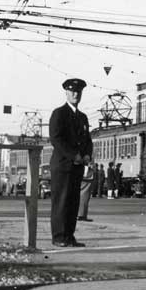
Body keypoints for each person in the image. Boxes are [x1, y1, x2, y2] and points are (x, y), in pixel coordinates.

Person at [49, 78, 92, 248]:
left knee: (73, 202)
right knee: (61, 202)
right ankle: (59, 236)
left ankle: (69, 235)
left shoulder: (82, 117)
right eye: (72, 91)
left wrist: (87, 155)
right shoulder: (59, 113)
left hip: (77, 166)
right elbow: (56, 139)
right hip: (62, 166)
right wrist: (74, 155)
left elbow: (87, 140)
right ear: (66, 93)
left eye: (78, 92)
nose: (76, 94)